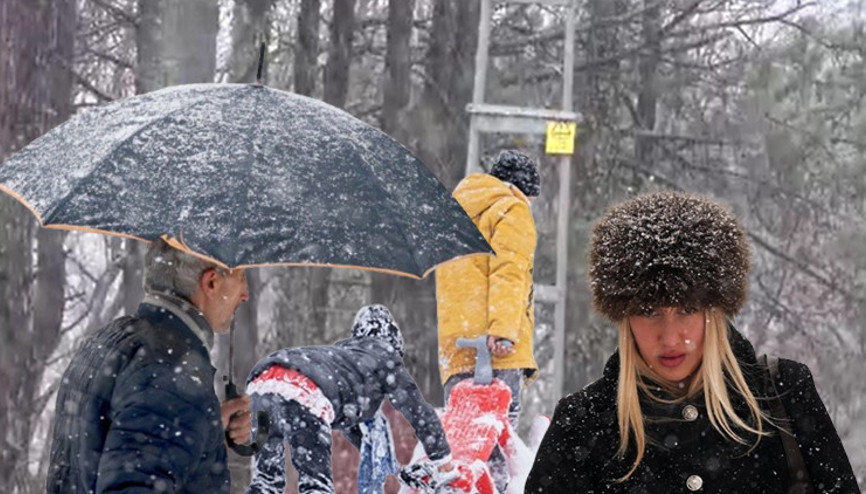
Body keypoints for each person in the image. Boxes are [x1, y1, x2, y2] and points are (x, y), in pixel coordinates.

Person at [526, 191, 861, 493]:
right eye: (648, 311)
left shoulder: (783, 396)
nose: (670, 337)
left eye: (687, 309)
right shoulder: (584, 424)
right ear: (625, 316)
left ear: (714, 311)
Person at [47, 238, 253, 493]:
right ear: (211, 282)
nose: (245, 294)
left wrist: (205, 431)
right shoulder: (172, 372)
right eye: (241, 277)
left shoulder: (111, 339)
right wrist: (188, 410)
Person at [244, 304, 453, 494]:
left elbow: (350, 423)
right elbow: (417, 409)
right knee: (316, 486)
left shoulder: (342, 359)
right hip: (304, 391)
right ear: (393, 344)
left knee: (266, 482)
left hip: (263, 384)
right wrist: (442, 457)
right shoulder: (385, 356)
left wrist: (384, 463)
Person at [436, 149, 540, 491]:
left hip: (456, 349)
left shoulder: (455, 214)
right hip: (497, 347)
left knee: (466, 447)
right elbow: (509, 273)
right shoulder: (511, 208)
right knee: (499, 447)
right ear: (521, 188)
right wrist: (503, 331)